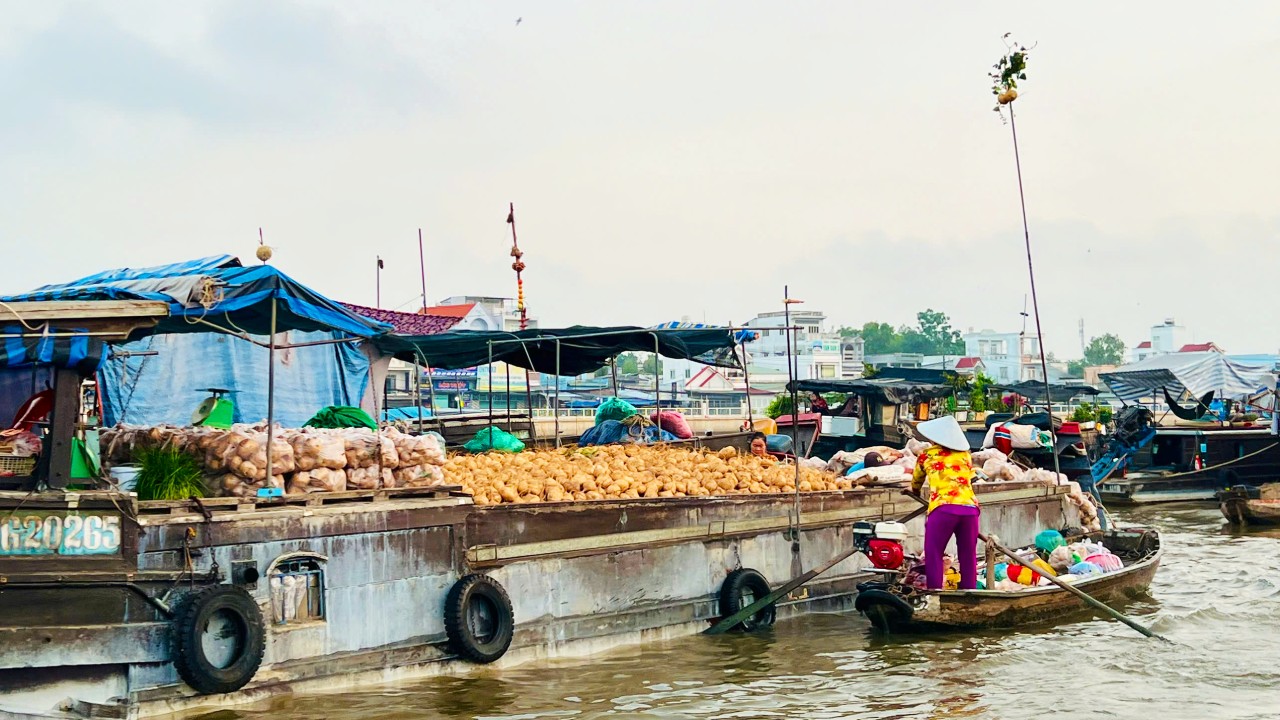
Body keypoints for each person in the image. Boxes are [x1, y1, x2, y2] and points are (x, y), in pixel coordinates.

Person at [909, 416, 979, 590]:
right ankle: (969, 591)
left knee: (934, 553)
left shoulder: (926, 455)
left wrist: (915, 492)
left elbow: (916, 481)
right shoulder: (965, 456)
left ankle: (934, 593)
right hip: (970, 509)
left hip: (943, 509)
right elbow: (970, 477)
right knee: (968, 554)